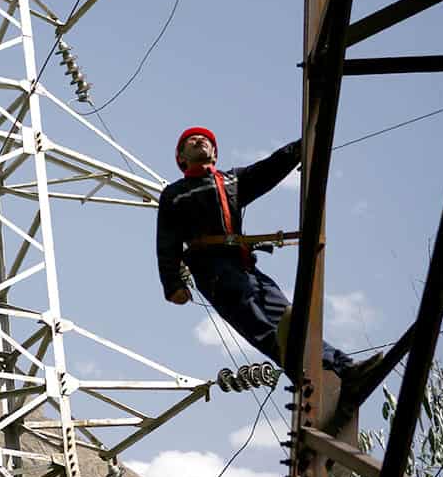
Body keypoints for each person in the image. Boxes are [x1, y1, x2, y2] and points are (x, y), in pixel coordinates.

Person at [156, 126, 384, 392]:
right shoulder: (174, 194)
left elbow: (269, 168)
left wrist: (300, 148)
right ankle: (306, 377)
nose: (199, 141)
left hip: (244, 268)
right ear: (181, 158)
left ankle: (343, 368)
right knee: (262, 326)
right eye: (191, 141)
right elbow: (166, 243)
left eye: (205, 139)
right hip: (214, 272)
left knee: (291, 319)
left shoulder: (230, 182)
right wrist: (173, 285)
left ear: (215, 154)